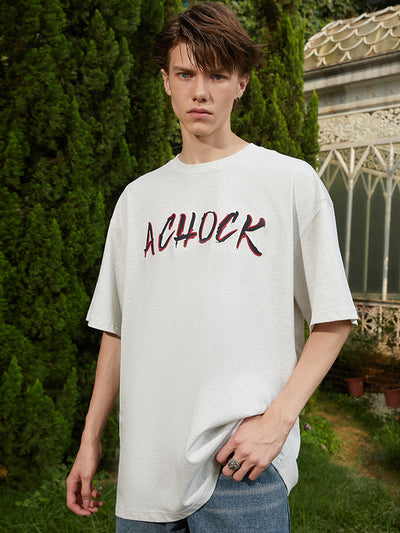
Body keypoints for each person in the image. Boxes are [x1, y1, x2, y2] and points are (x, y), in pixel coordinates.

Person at [66, 3, 358, 531]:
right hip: (145, 473)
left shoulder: (289, 182)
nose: (200, 91)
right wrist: (90, 441)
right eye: (185, 74)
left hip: (242, 467)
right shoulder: (138, 200)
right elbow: (117, 329)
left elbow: (333, 318)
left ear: (241, 83)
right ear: (166, 81)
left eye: (217, 75)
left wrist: (277, 422)